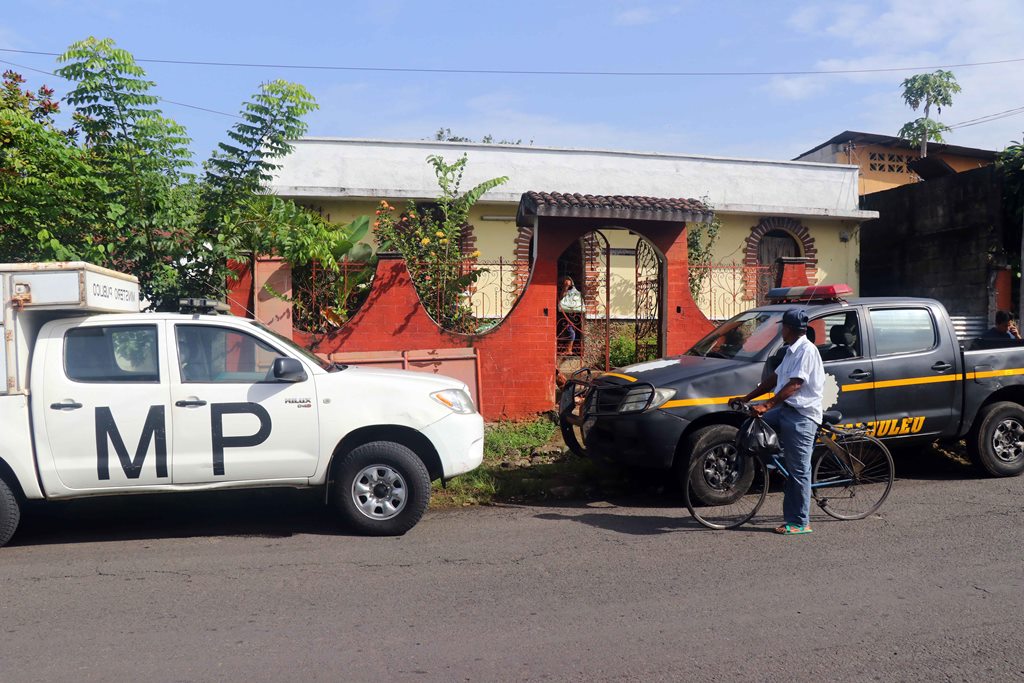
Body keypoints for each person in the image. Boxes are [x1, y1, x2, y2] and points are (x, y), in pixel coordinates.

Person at [729, 308, 824, 536]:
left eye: (783, 326)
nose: (781, 330)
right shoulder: (790, 350)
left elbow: (795, 385)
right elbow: (774, 379)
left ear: (789, 329)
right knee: (752, 429)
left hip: (802, 416)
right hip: (785, 411)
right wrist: (748, 398)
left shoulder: (807, 351)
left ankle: (800, 522)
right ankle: (778, 459)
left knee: (799, 471)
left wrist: (767, 406)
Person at [557, 276, 584, 354]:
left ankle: (569, 350)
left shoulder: (570, 290)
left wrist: (566, 287)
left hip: (572, 313)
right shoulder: (566, 289)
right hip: (567, 312)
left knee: (570, 330)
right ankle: (567, 349)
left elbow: (561, 297)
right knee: (566, 329)